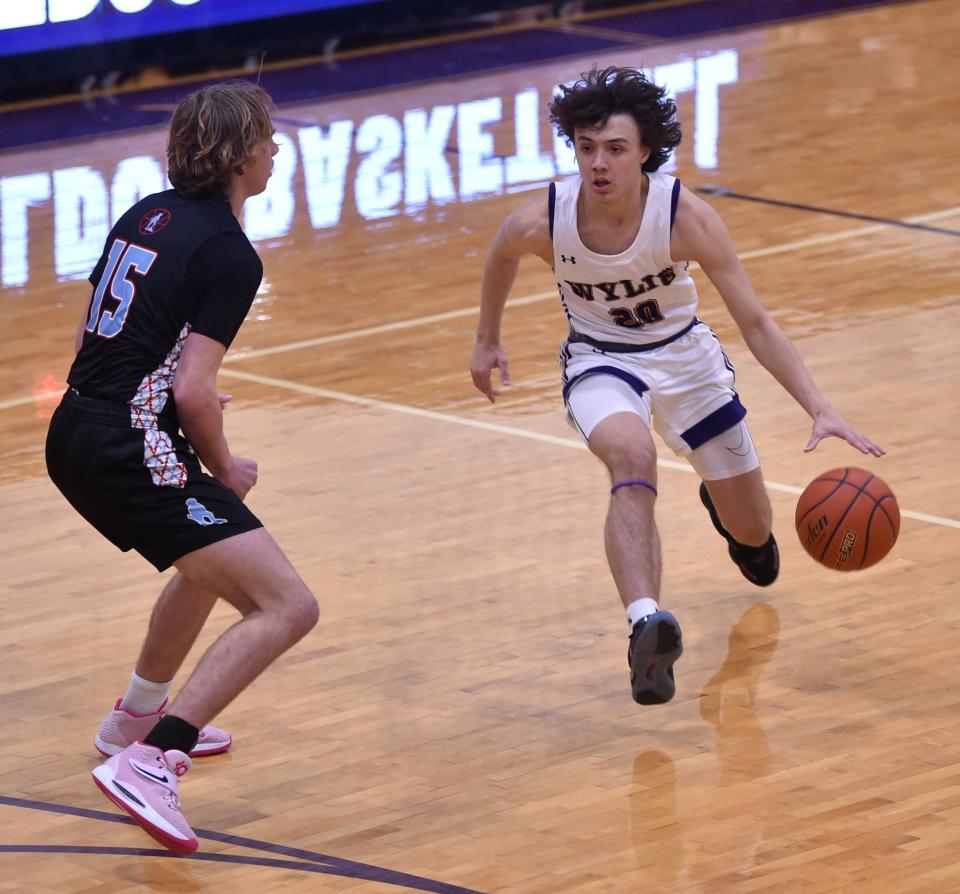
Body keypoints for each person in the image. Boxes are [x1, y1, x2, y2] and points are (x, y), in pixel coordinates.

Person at [469, 66, 883, 707]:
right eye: (586, 148)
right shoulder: (545, 218)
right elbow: (498, 254)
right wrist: (486, 338)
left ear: (645, 153)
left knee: (756, 542)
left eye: (614, 149)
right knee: (632, 459)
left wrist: (819, 406)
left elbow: (756, 321)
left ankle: (730, 517)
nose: (598, 163)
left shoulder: (685, 216)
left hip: (688, 362)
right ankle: (644, 625)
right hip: (602, 362)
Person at [45, 81, 319, 855]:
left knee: (209, 561)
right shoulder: (232, 254)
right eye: (267, 137)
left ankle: (134, 716)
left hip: (76, 427)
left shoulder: (146, 214)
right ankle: (154, 759)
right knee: (287, 606)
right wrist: (221, 465)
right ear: (238, 154)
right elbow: (196, 390)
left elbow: (90, 339)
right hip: (125, 444)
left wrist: (159, 405)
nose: (276, 148)